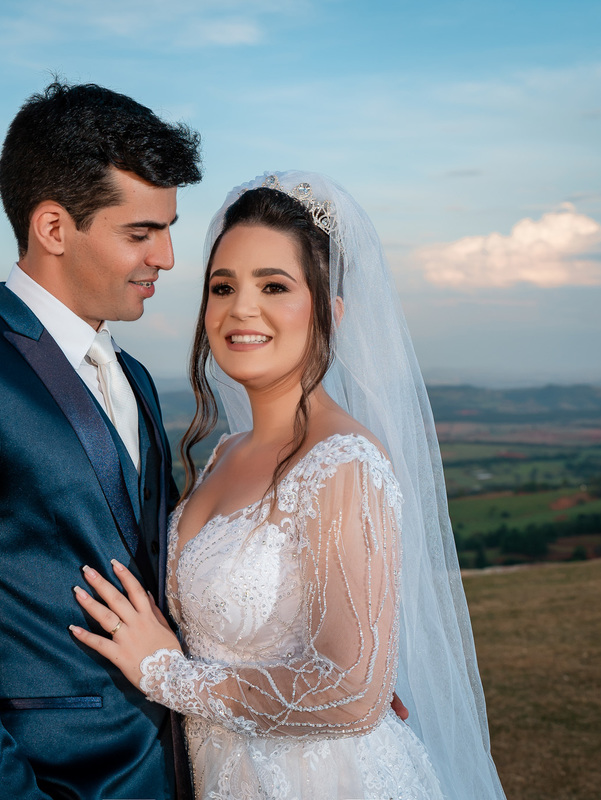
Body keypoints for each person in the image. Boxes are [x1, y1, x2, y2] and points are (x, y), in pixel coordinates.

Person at [71, 171, 509, 798]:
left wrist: (167, 675)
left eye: (274, 285)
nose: (241, 309)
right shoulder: (226, 453)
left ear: (330, 311)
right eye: (223, 287)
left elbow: (353, 693)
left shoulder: (344, 463)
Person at [0, 81, 202, 799]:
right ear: (53, 228)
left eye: (168, 229)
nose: (168, 257)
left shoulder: (135, 376)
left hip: (169, 772)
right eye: (141, 233)